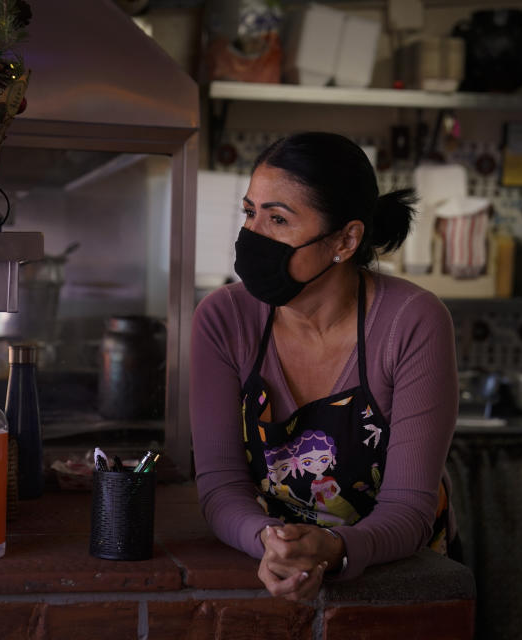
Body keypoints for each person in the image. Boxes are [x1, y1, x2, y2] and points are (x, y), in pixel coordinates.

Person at [190, 131, 459, 602]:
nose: (253, 235)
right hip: (274, 570)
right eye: (250, 212)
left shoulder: (411, 322)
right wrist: (270, 542)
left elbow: (409, 507)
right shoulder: (223, 318)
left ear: (346, 239)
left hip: (401, 585)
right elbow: (220, 483)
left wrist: (333, 550)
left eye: (278, 219)